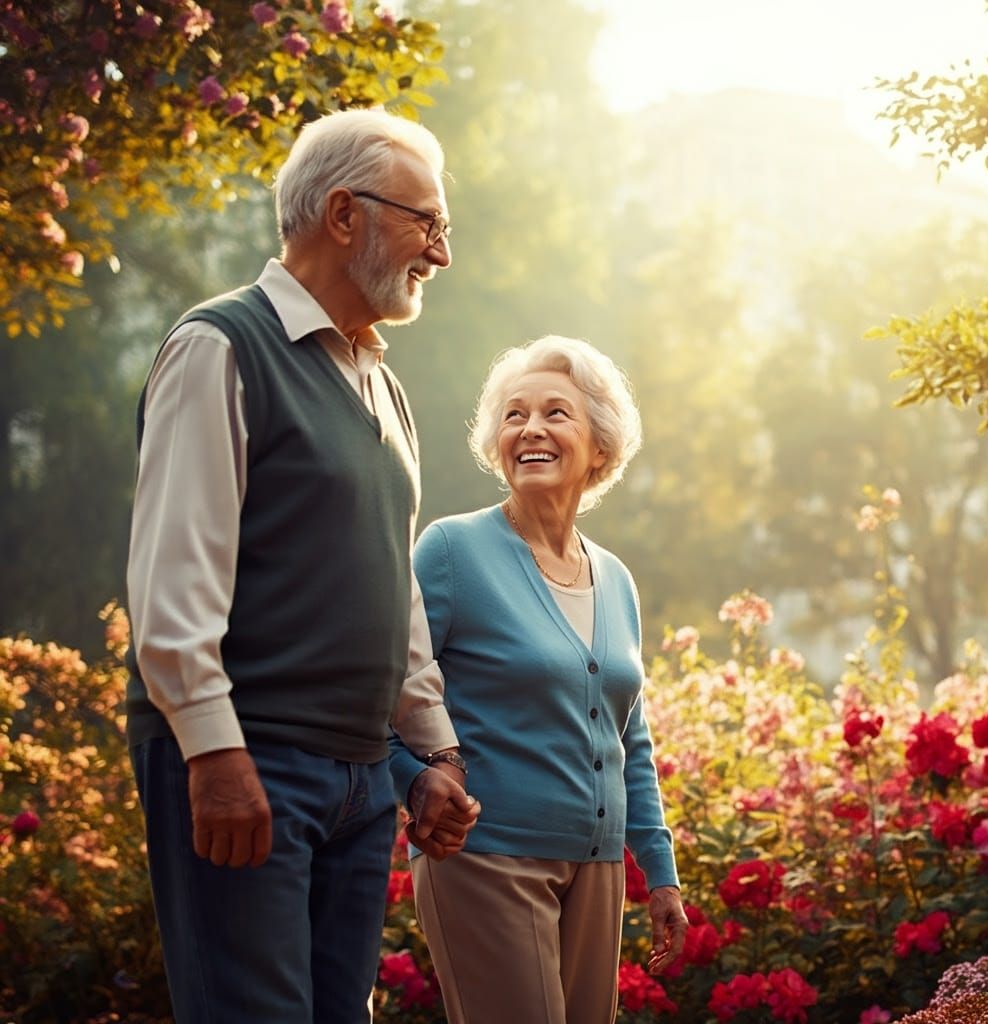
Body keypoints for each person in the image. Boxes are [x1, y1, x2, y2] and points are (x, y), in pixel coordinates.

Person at [125, 109, 479, 1024]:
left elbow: (388, 579)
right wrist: (213, 752)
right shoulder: (220, 347)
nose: (440, 254)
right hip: (250, 761)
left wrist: (429, 747)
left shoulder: (382, 380)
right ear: (342, 213)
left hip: (361, 776)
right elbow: (171, 589)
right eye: (426, 223)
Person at [389, 335, 688, 1024]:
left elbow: (627, 738)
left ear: (600, 447)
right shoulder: (451, 551)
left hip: (597, 868)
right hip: (485, 854)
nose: (530, 429)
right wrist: (412, 781)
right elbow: (379, 689)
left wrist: (660, 873)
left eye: (556, 413)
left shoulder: (615, 579)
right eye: (514, 414)